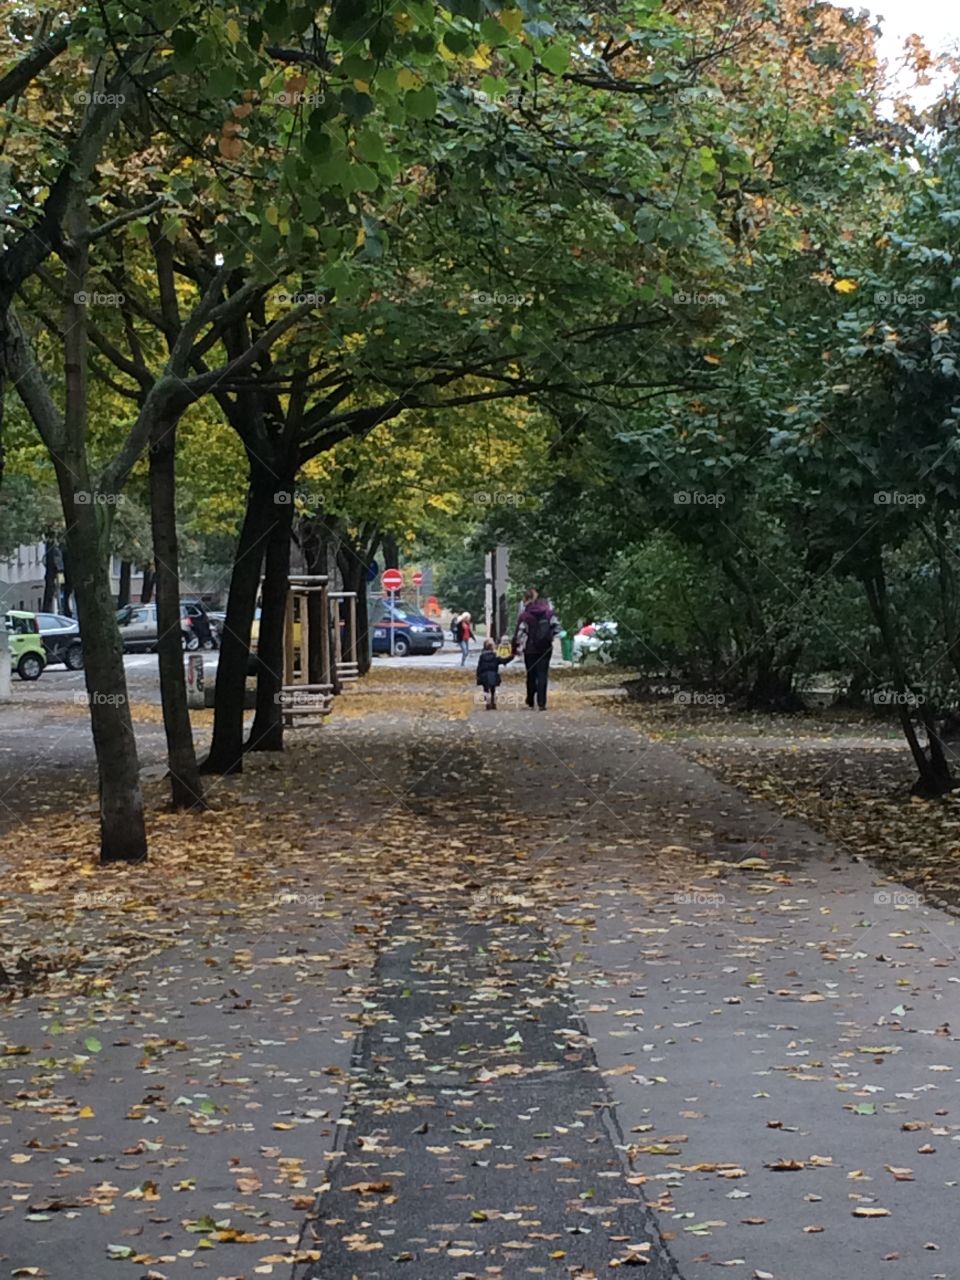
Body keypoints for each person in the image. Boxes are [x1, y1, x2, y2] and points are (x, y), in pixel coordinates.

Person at [513, 586, 559, 710]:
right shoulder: (548, 613)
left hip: (530, 649)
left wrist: (516, 647)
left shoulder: (525, 616)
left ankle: (530, 701)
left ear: (526, 600)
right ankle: (542, 703)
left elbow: (520, 634)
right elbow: (557, 628)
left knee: (531, 675)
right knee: (542, 674)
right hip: (545, 648)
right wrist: (549, 637)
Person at [476, 637, 512, 709]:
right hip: (493, 674)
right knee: (493, 689)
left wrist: (478, 675)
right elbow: (503, 661)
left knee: (486, 689)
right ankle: (493, 702)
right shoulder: (495, 656)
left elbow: (479, 666)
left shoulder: (482, 656)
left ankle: (487, 702)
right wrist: (511, 657)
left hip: (484, 674)